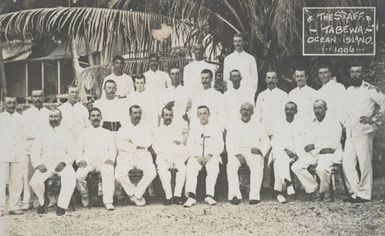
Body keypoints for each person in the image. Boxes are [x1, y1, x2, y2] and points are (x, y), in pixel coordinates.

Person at [343, 65, 385, 203]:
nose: (355, 75)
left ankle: (365, 194)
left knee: (364, 163)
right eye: (352, 72)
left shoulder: (369, 88)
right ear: (350, 74)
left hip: (364, 131)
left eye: (358, 72)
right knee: (347, 163)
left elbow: (384, 103)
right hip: (350, 132)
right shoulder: (348, 90)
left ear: (362, 73)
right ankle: (355, 192)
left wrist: (373, 119)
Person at [291, 100, 343, 201]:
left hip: (331, 153)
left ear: (326, 109)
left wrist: (315, 146)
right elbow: (307, 144)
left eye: (320, 108)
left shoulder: (334, 123)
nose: (317, 110)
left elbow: (333, 144)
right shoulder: (312, 124)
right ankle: (314, 189)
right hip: (316, 154)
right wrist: (317, 149)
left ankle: (325, 191)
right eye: (315, 108)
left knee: (321, 168)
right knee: (296, 166)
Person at [29, 109, 76, 216]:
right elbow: (35, 151)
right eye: (51, 117)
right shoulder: (42, 132)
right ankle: (42, 201)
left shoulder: (67, 132)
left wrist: (64, 162)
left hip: (63, 165)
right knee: (34, 181)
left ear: (61, 118)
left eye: (56, 117)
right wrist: (38, 164)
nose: (53, 119)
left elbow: (73, 150)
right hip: (46, 164)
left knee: (70, 178)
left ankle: (61, 205)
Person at [226, 103, 270, 205]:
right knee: (231, 166)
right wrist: (238, 154)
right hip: (237, 152)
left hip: (252, 152)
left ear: (252, 112)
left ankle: (254, 196)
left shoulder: (258, 125)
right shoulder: (233, 125)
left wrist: (260, 150)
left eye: (248, 110)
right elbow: (229, 142)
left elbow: (267, 142)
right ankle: (234, 195)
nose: (245, 112)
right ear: (240, 111)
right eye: (243, 110)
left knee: (257, 165)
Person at [75, 108, 117, 210]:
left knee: (109, 172)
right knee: (78, 175)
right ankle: (85, 195)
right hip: (88, 162)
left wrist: (110, 159)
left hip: (103, 161)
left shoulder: (107, 132)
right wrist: (80, 160)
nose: (95, 118)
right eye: (93, 116)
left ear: (101, 118)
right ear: (89, 118)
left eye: (98, 115)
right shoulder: (83, 132)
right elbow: (78, 148)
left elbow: (112, 148)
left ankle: (108, 201)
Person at [115, 105, 156, 206]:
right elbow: (120, 145)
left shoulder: (146, 128)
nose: (137, 115)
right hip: (126, 157)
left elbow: (148, 142)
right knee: (119, 174)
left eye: (139, 113)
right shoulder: (123, 129)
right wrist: (136, 145)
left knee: (152, 172)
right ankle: (132, 194)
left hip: (142, 156)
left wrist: (131, 142)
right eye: (135, 113)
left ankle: (137, 194)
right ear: (130, 115)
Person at [184, 106, 223, 207]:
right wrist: (196, 156)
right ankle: (191, 197)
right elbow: (189, 144)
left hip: (211, 156)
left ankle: (209, 195)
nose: (203, 116)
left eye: (205, 113)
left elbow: (220, 144)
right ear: (197, 116)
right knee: (191, 166)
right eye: (200, 114)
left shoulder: (215, 128)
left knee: (213, 167)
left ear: (209, 115)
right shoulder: (194, 129)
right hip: (196, 157)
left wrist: (210, 154)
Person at [153, 105, 188, 205]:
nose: (168, 117)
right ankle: (168, 196)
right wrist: (166, 155)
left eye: (170, 115)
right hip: (163, 157)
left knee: (182, 169)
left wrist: (176, 154)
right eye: (166, 115)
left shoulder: (177, 130)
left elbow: (180, 143)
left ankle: (177, 195)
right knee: (163, 171)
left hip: (177, 156)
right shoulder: (157, 131)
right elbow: (156, 146)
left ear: (172, 116)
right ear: (162, 116)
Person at [21, 90, 50, 210]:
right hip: (29, 149)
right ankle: (28, 200)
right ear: (31, 98)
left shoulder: (48, 113)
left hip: (44, 151)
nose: (38, 98)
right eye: (35, 96)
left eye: (40, 96)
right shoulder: (26, 114)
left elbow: (50, 131)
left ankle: (43, 199)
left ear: (44, 97)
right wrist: (40, 136)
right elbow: (25, 133)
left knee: (43, 175)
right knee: (28, 175)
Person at [271, 102, 303, 203]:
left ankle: (278, 191)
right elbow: (275, 142)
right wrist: (285, 150)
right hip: (281, 151)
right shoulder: (279, 124)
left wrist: (296, 153)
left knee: (278, 162)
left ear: (296, 111)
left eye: (291, 109)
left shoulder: (300, 125)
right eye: (287, 109)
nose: (289, 111)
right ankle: (288, 184)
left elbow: (302, 141)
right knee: (281, 157)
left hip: (296, 154)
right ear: (284, 111)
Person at [0, 96, 25, 216]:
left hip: (18, 153)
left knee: (17, 180)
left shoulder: (21, 118)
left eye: (13, 103)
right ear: (3, 104)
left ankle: (14, 206)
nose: (11, 105)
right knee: (1, 180)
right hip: (3, 154)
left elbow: (26, 135)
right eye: (8, 103)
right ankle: (0, 207)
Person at [255, 71, 288, 138]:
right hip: (264, 131)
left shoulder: (283, 95)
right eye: (269, 78)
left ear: (277, 80)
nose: (271, 80)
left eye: (273, 78)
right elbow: (258, 114)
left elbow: (285, 114)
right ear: (266, 80)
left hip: (279, 131)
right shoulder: (261, 95)